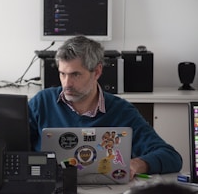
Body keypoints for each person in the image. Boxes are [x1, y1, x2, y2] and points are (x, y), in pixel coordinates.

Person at [28, 35, 182, 180]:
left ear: (97, 72)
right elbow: (12, 149)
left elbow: (170, 156)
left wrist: (135, 165)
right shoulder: (42, 103)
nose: (67, 84)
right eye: (62, 74)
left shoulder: (122, 112)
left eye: (75, 75)